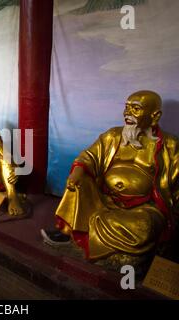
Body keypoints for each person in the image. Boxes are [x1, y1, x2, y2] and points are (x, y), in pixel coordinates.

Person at [42, 91, 179, 267]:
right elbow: (89, 157)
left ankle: (95, 238)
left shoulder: (171, 146)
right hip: (103, 199)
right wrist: (76, 173)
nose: (127, 113)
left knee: (143, 227)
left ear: (155, 116)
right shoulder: (113, 136)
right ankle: (69, 232)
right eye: (126, 107)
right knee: (79, 183)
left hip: (143, 209)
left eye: (135, 108)